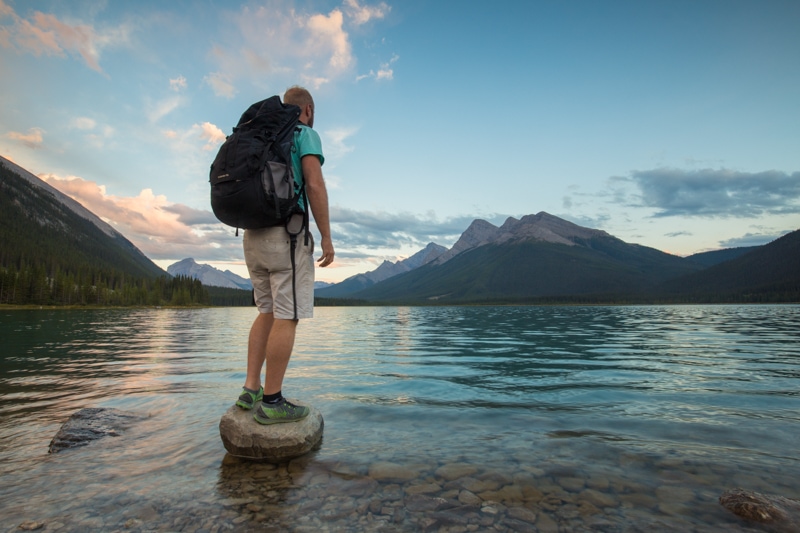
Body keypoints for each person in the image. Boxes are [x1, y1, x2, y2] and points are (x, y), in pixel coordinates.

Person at [235, 86, 334, 425]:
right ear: (307, 108)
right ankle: (273, 400)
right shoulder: (304, 133)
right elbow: (315, 184)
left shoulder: (260, 132)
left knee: (266, 310)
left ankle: (251, 389)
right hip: (286, 236)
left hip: (252, 235)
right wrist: (327, 238)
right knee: (287, 315)